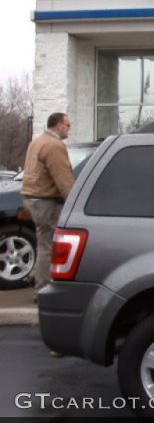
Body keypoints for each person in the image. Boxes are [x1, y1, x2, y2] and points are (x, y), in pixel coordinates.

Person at [21, 112, 74, 291]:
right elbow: (63, 178)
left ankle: (36, 274)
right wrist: (74, 204)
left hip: (32, 199)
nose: (69, 129)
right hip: (45, 202)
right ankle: (42, 289)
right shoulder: (54, 145)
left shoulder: (37, 142)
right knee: (48, 246)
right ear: (58, 125)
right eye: (67, 125)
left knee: (43, 242)